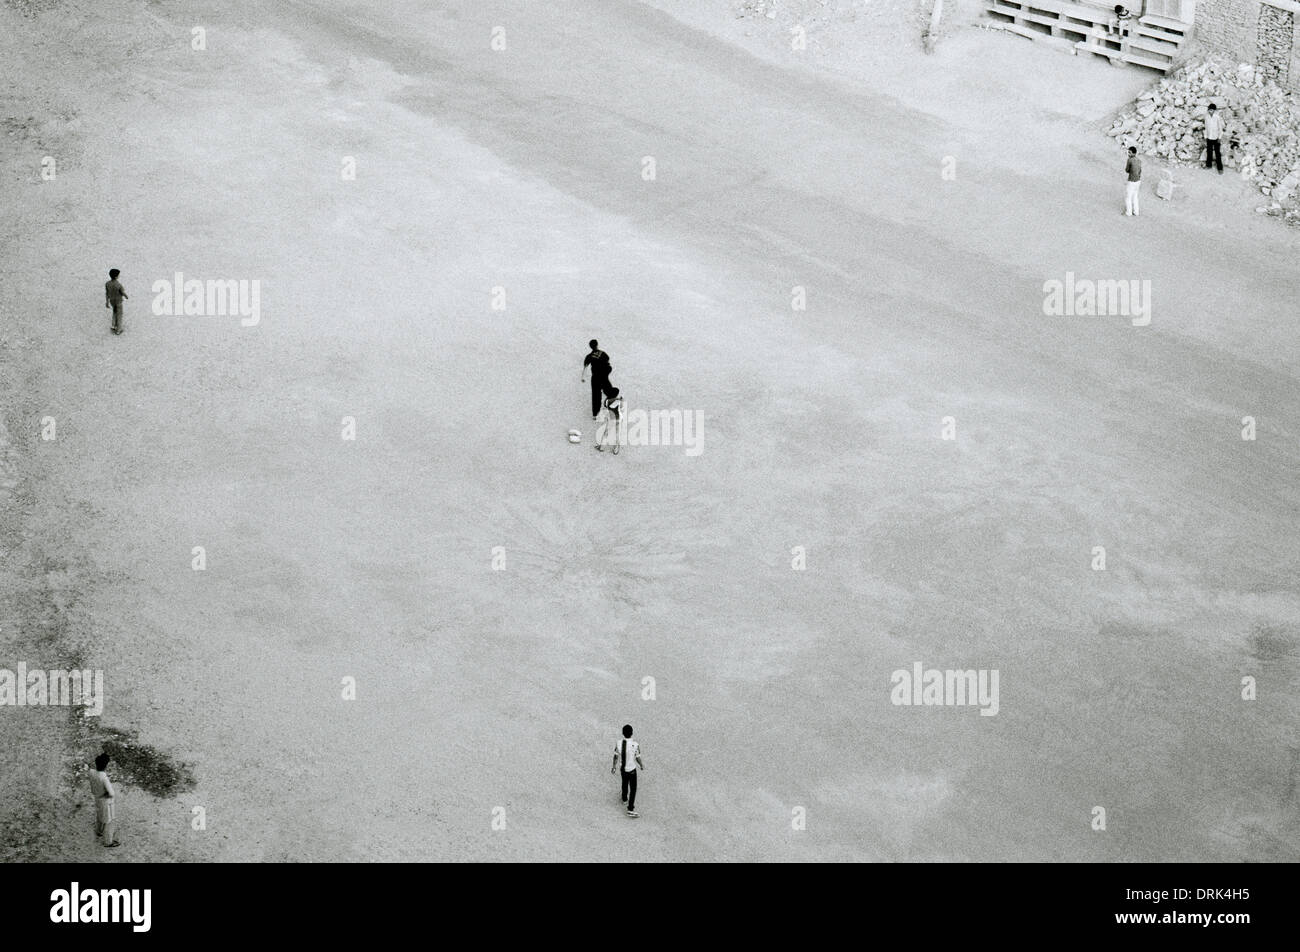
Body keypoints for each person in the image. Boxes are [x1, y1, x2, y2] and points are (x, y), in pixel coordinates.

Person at [610, 724, 645, 817]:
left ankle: (624, 798)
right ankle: (630, 809)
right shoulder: (636, 745)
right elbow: (637, 757)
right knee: (633, 789)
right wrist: (641, 765)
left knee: (624, 783)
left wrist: (614, 767)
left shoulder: (618, 743)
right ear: (632, 733)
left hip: (623, 769)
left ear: (623, 733)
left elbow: (615, 756)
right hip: (632, 770)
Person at [89, 753, 120, 847]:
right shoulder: (104, 778)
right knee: (108, 821)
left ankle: (98, 831)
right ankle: (108, 842)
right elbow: (112, 793)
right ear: (105, 765)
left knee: (99, 816)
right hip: (105, 801)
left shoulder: (91, 772)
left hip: (97, 798)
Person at [580, 340, 612, 420]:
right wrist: (607, 369)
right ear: (597, 345)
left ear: (590, 346)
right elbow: (607, 361)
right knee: (607, 389)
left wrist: (583, 377)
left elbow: (585, 367)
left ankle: (595, 413)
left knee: (596, 395)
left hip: (595, 377)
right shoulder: (602, 353)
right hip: (603, 374)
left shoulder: (589, 356)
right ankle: (610, 403)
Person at [595, 386, 624, 454]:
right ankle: (616, 449)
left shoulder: (607, 401)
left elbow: (606, 407)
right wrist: (620, 400)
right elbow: (622, 408)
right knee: (618, 433)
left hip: (611, 419)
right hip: (619, 418)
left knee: (606, 433)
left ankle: (602, 447)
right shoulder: (619, 401)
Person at [104, 268, 128, 336]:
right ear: (116, 276)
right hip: (118, 301)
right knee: (119, 314)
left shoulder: (107, 283)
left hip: (112, 301)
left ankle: (113, 325)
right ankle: (119, 330)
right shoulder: (118, 284)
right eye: (118, 275)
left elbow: (107, 293)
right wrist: (126, 296)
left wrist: (107, 302)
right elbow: (122, 292)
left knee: (114, 312)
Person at [1204, 104, 1224, 174]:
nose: (1210, 111)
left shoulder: (1217, 117)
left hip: (1216, 138)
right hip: (1209, 137)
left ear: (1214, 110)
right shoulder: (1207, 117)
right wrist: (1206, 136)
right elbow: (1206, 127)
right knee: (1209, 152)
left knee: (1217, 153)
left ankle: (1220, 168)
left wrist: (1219, 137)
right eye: (1209, 110)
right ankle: (1208, 165)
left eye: (1212, 110)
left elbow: (1220, 129)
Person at [1124, 146, 1142, 217]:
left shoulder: (1129, 160)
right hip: (1138, 181)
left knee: (1128, 197)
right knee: (1135, 196)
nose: (1128, 154)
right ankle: (1136, 212)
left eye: (1129, 152)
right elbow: (1140, 171)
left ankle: (1129, 212)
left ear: (1133, 153)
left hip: (1131, 180)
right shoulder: (1139, 160)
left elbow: (1127, 170)